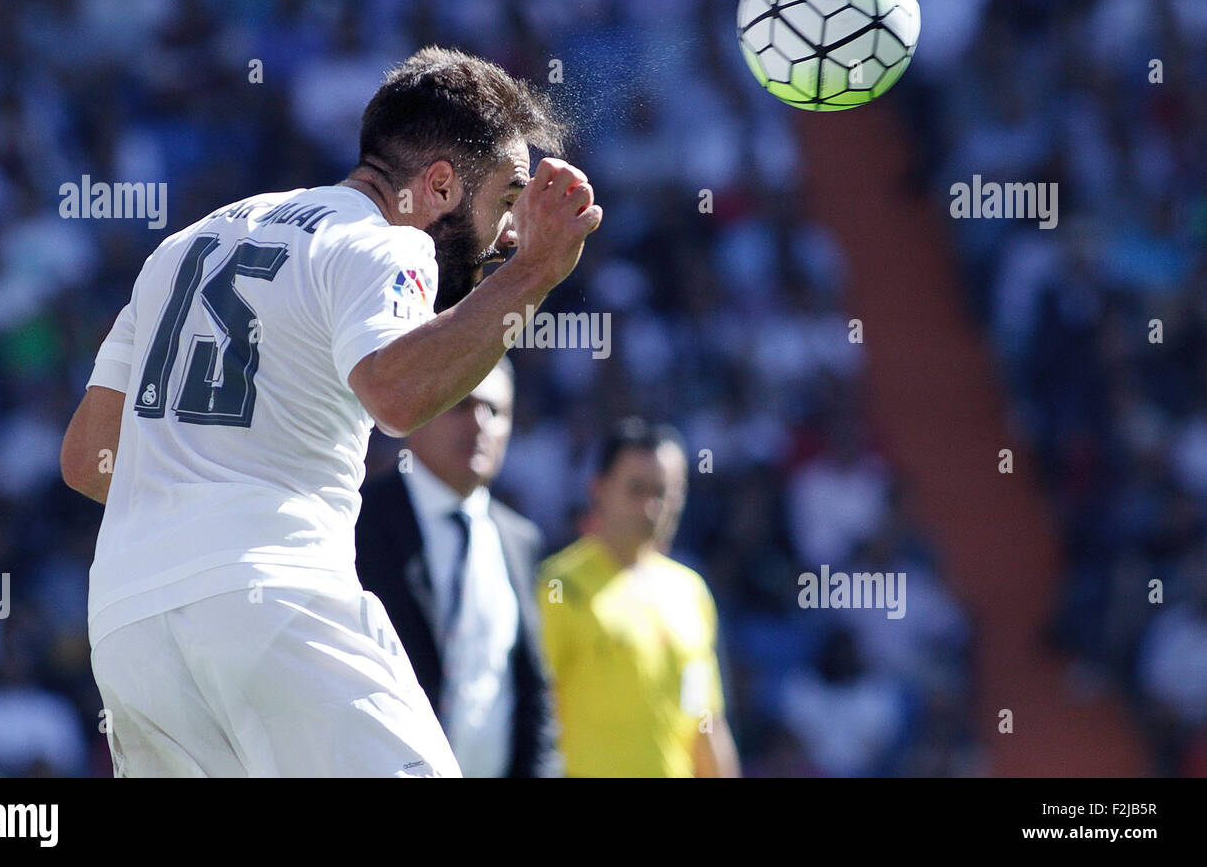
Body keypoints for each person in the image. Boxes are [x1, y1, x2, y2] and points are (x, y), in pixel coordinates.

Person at [58, 46, 602, 777]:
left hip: (129, 628)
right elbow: (398, 396)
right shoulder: (384, 244)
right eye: (506, 199)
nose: (509, 233)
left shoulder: (184, 246)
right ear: (439, 183)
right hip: (274, 602)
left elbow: (89, 456)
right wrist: (537, 273)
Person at [354, 357, 559, 777]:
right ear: (419, 411)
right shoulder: (356, 523)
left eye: (496, 411)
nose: (480, 423)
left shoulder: (520, 540)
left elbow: (532, 694)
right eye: (462, 404)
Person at [538, 418, 740, 777]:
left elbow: (705, 723)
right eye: (636, 490)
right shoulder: (558, 588)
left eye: (664, 492)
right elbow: (535, 719)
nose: (651, 507)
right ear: (598, 489)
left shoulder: (690, 591)